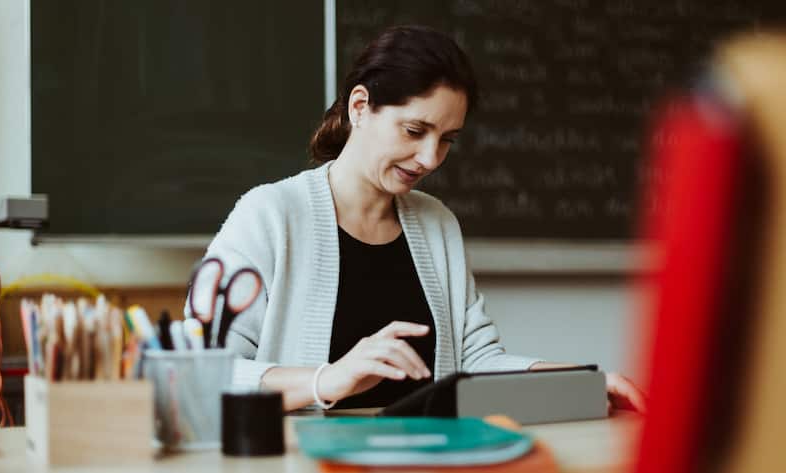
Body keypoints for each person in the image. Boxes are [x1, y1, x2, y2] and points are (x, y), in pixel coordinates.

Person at [188, 25, 645, 412]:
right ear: (360, 107)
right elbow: (199, 375)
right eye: (414, 130)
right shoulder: (269, 215)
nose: (430, 158)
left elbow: (475, 361)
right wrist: (326, 380)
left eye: (448, 139)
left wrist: (581, 381)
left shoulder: (436, 223)